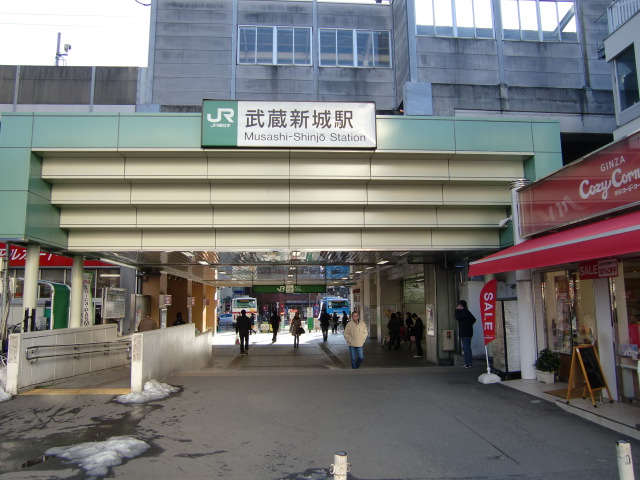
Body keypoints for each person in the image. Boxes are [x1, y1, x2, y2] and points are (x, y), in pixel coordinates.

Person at [455, 300, 476, 368]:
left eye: (459, 305)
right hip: (467, 332)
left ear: (461, 306)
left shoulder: (464, 312)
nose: (458, 307)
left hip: (465, 333)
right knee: (466, 348)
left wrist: (456, 310)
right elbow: (474, 319)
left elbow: (457, 317)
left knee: (466, 348)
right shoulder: (467, 312)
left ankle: (468, 363)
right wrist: (469, 324)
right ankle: (467, 363)